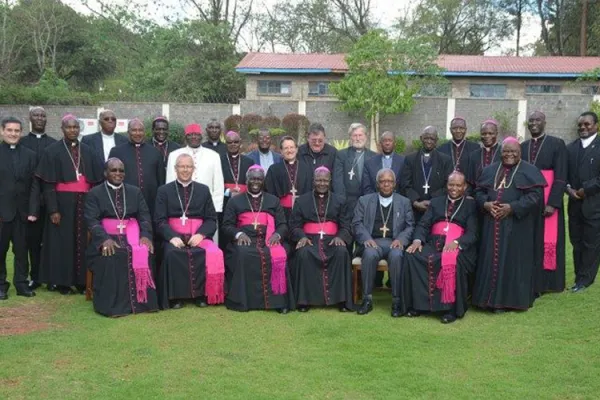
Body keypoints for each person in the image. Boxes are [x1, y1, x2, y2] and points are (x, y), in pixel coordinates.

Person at [473, 137, 546, 312]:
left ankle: (508, 301)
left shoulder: (530, 170)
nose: (509, 154)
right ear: (501, 152)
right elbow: (478, 191)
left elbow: (535, 196)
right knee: (491, 260)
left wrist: (512, 207)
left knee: (512, 262)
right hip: (492, 225)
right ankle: (488, 300)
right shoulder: (490, 169)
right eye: (506, 151)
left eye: (513, 151)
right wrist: (486, 204)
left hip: (517, 227)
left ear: (520, 153)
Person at [36, 114, 103, 295]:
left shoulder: (88, 150)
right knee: (62, 243)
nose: (72, 130)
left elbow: (96, 182)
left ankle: (82, 282)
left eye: (75, 127)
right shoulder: (52, 151)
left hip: (85, 202)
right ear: (62, 129)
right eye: (69, 127)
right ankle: (63, 282)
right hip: (62, 204)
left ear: (79, 129)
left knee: (83, 242)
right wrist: (53, 210)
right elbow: (48, 184)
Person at [84, 158, 160, 317]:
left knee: (146, 252)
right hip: (106, 237)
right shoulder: (94, 193)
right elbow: (91, 220)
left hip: (131, 236)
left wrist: (146, 236)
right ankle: (113, 306)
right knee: (111, 255)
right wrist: (104, 239)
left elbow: (144, 216)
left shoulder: (135, 192)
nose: (118, 173)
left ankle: (144, 303)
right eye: (113, 170)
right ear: (105, 173)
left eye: (121, 170)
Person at [403, 172, 477, 323]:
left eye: (458, 185)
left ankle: (449, 310)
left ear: (464, 187)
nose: (454, 188)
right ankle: (418, 306)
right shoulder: (436, 202)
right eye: (451, 185)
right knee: (412, 256)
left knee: (451, 261)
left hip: (457, 243)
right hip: (433, 242)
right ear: (446, 185)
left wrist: (457, 243)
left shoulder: (470, 205)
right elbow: (423, 224)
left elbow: (473, 233)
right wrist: (417, 241)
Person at [155, 154, 225, 309]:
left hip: (197, 235)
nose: (185, 170)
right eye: (181, 166)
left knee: (210, 253)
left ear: (194, 169)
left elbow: (211, 219)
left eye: (188, 166)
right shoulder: (164, 190)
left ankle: (201, 295)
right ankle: (176, 297)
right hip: (174, 236)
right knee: (172, 254)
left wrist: (201, 235)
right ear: (175, 169)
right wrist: (171, 236)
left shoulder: (203, 190)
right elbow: (159, 220)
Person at [221, 165, 294, 313]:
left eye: (259, 179)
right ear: (246, 180)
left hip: (269, 240)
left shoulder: (273, 201)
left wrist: (277, 235)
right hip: (245, 240)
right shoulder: (235, 201)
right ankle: (244, 301)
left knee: (279, 253)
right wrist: (238, 234)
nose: (255, 182)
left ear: (263, 181)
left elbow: (283, 225)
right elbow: (226, 225)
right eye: (252, 178)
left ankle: (279, 302)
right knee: (243, 254)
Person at [289, 167, 353, 312]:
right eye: (319, 180)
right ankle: (304, 300)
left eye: (325, 180)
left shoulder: (340, 200)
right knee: (303, 253)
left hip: (332, 240)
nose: (322, 183)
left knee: (341, 252)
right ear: (313, 181)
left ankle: (342, 300)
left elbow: (346, 225)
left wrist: (340, 237)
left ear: (330, 181)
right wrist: (302, 237)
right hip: (309, 239)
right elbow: (294, 225)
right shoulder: (302, 201)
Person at [352, 169, 415, 317]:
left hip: (394, 242)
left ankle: (397, 301)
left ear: (394, 184)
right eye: (382, 181)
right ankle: (367, 299)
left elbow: (410, 225)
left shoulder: (404, 202)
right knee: (369, 253)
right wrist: (366, 239)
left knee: (397, 256)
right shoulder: (364, 200)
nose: (386, 184)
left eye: (389, 181)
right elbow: (356, 223)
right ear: (377, 184)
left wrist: (401, 240)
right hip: (372, 242)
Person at [521, 111, 567, 295]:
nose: (533, 123)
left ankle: (549, 282)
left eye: (537, 120)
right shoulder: (522, 146)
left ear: (544, 122)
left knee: (549, 240)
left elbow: (561, 176)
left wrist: (553, 202)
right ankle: (529, 278)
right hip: (528, 198)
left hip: (548, 198)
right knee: (530, 239)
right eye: (531, 120)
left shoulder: (557, 144)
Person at [0, 117, 39, 300]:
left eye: (16, 131)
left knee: (22, 250)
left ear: (21, 132)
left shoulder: (30, 155)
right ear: (2, 131)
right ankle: (1, 286)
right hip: (2, 212)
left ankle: (22, 284)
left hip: (23, 213)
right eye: (9, 130)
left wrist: (33, 210)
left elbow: (34, 186)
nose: (13, 134)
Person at [362, 130, 405, 288]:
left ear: (395, 142)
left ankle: (396, 297)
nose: (387, 143)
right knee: (371, 250)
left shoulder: (404, 161)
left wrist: (394, 201)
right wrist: (375, 202)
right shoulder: (370, 162)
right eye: (384, 140)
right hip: (375, 207)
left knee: (395, 254)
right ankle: (372, 289)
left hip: (396, 209)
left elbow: (405, 185)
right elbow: (366, 187)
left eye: (390, 140)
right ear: (380, 144)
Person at [20, 107, 57, 290]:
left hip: (51, 200)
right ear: (30, 118)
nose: (40, 118)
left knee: (51, 240)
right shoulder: (22, 142)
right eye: (36, 115)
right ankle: (34, 276)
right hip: (29, 201)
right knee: (32, 240)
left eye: (43, 115)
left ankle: (51, 277)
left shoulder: (54, 143)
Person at [566, 111, 600, 292]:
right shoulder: (570, 148)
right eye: (580, 125)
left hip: (594, 206)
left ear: (596, 125)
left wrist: (586, 190)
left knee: (591, 244)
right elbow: (563, 176)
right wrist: (569, 189)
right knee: (576, 242)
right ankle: (579, 276)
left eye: (587, 124)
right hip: (574, 205)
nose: (583, 127)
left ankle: (585, 280)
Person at [108, 119, 165, 216]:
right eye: (134, 130)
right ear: (128, 132)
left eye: (140, 130)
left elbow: (161, 180)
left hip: (150, 201)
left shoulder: (155, 152)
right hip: (125, 199)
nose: (137, 133)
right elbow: (110, 178)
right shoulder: (116, 151)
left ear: (144, 132)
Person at [166, 124, 224, 214]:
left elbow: (218, 185)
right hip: (180, 205)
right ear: (186, 137)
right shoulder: (174, 155)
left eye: (196, 134)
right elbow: (170, 182)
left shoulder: (213, 156)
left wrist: (216, 209)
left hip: (207, 205)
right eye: (190, 135)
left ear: (201, 137)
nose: (194, 137)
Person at [402, 126, 453, 222]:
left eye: (432, 139)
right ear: (421, 138)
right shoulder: (410, 159)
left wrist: (433, 201)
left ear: (436, 140)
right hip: (414, 209)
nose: (429, 141)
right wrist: (415, 202)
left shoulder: (445, 160)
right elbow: (405, 184)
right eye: (426, 138)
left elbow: (448, 185)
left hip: (437, 208)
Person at [264, 136, 313, 220]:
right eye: (286, 148)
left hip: (302, 211)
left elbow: (310, 191)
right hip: (281, 212)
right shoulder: (274, 169)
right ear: (281, 151)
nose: (289, 150)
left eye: (292, 147)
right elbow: (269, 193)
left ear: (297, 149)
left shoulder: (306, 168)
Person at [220, 131, 253, 247]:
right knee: (225, 232)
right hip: (224, 202)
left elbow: (253, 182)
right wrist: (228, 192)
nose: (233, 144)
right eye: (229, 142)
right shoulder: (219, 160)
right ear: (226, 144)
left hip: (244, 202)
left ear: (240, 143)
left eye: (236, 142)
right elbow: (214, 183)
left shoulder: (249, 161)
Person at [333, 123, 376, 211]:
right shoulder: (341, 155)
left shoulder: (374, 156)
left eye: (360, 135)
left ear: (366, 137)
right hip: (347, 203)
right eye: (355, 135)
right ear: (350, 138)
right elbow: (338, 180)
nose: (358, 138)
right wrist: (341, 200)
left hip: (367, 203)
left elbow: (375, 181)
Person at [467, 120, 501, 192]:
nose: (487, 136)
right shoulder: (474, 155)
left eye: (490, 133)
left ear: (496, 134)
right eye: (484, 134)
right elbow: (470, 182)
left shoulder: (503, 152)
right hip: (477, 195)